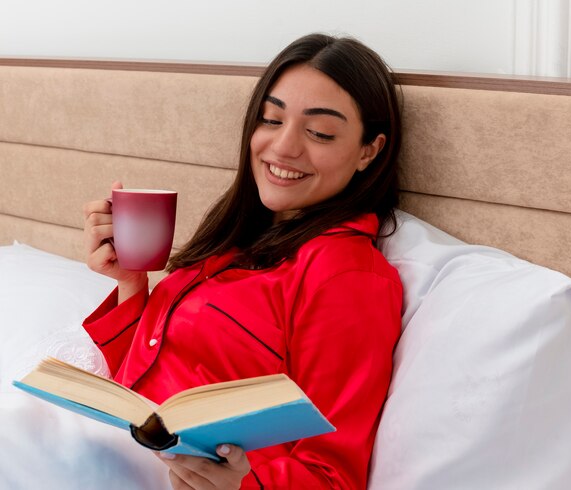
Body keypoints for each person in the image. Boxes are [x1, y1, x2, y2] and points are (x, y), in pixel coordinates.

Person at [82, 33, 403, 489]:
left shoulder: (347, 276)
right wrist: (132, 282)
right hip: (123, 450)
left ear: (369, 150)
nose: (284, 146)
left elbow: (333, 475)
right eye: (271, 119)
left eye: (319, 132)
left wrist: (239, 485)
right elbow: (149, 375)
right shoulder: (238, 235)